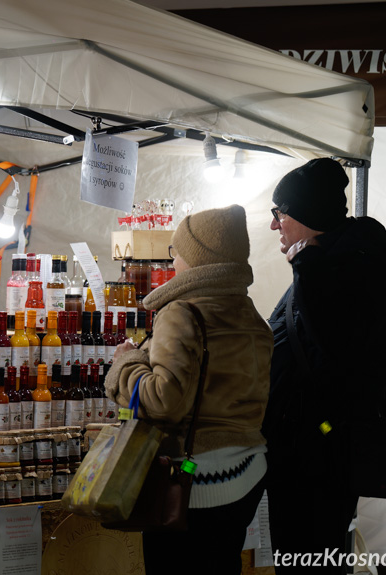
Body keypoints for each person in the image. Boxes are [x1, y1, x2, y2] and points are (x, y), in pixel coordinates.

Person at [106, 204, 272, 575]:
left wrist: (125, 363)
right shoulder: (252, 315)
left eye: (176, 253)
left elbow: (163, 402)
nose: (173, 262)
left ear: (195, 258)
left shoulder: (182, 311)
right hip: (247, 474)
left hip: (193, 483)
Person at [262, 158, 386, 573]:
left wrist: (310, 272)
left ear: (306, 214)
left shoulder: (344, 272)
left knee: (309, 561)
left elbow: (339, 354)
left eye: (280, 213)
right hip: (310, 453)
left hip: (319, 457)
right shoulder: (333, 266)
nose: (275, 225)